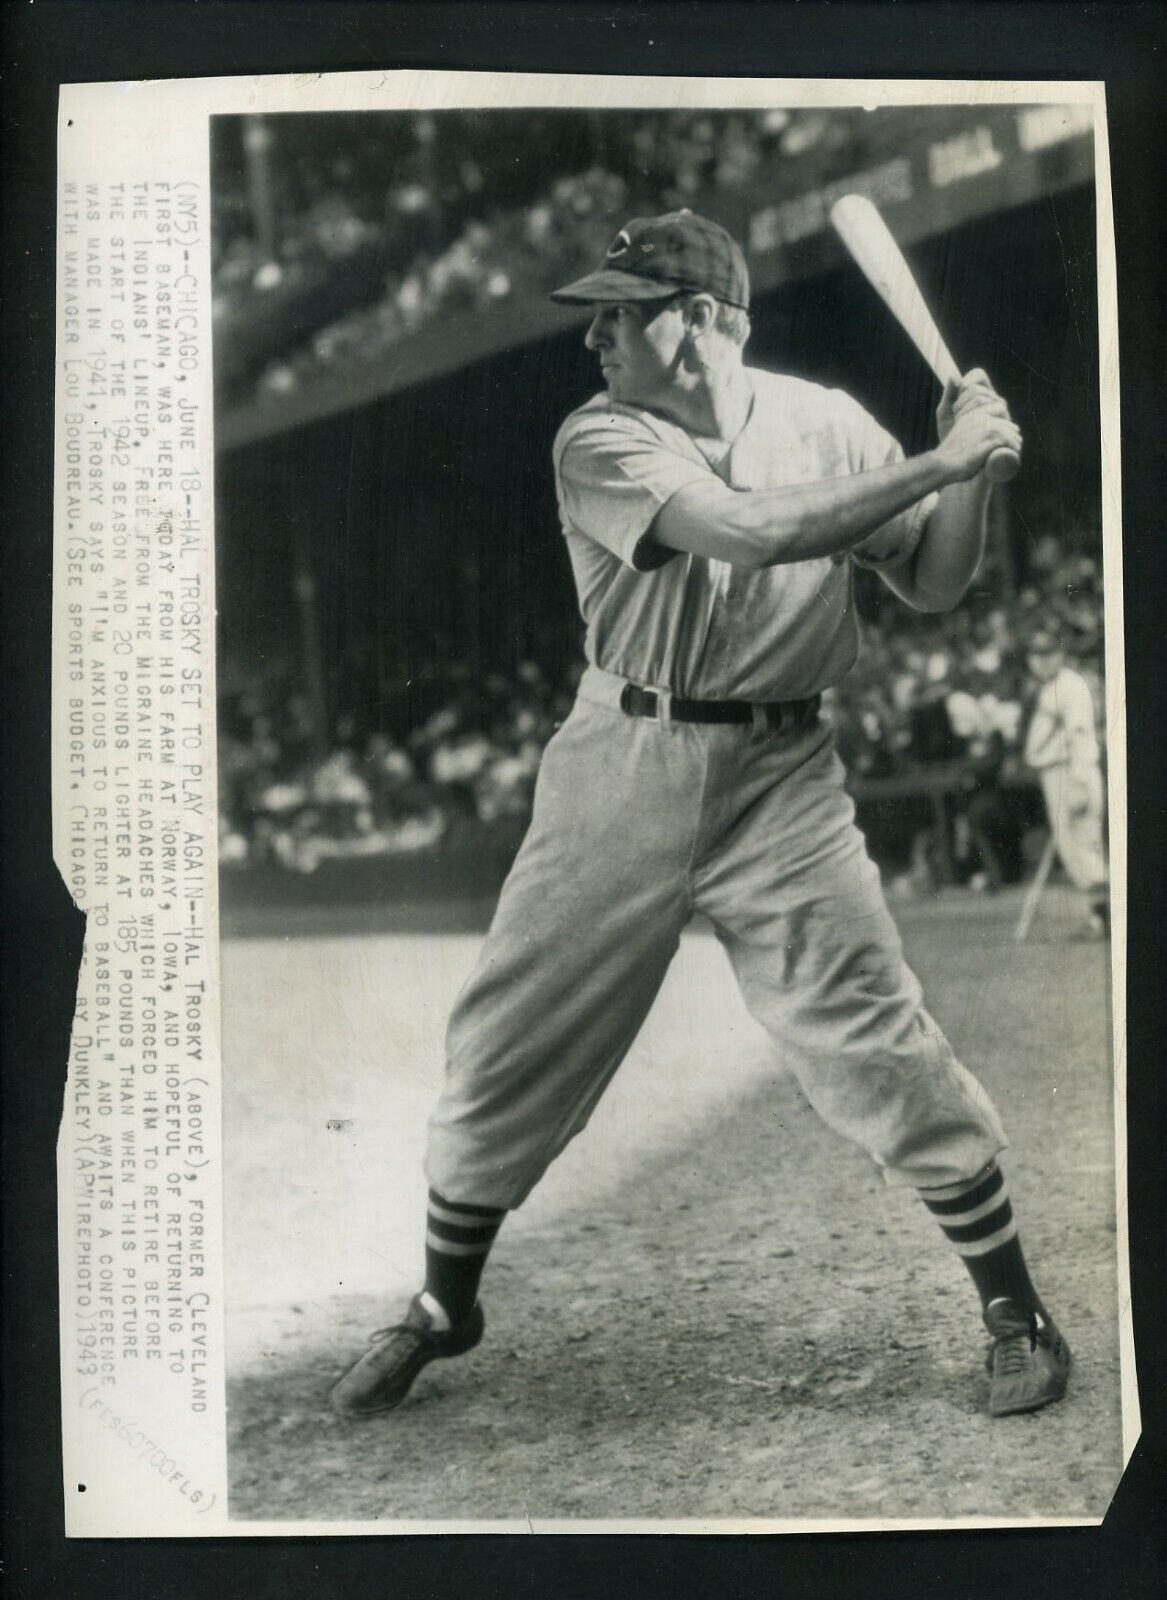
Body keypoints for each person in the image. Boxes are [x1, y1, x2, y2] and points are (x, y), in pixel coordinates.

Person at [331, 210, 1069, 1424]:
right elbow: (748, 529)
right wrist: (937, 465)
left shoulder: (824, 420)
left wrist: (972, 475)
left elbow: (936, 580)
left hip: (784, 773)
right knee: (509, 1040)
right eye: (602, 311)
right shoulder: (601, 437)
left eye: (624, 309)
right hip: (623, 761)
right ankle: (442, 1303)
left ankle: (1012, 1305)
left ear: (708, 321)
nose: (598, 335)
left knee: (873, 1030)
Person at [1023, 627, 1109, 935]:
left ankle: (1105, 917)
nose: (1042, 661)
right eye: (1036, 655)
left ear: (1060, 654)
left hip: (1071, 772)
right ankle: (1099, 918)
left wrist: (1079, 782)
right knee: (1074, 847)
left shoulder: (1070, 685)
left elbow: (1080, 736)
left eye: (1048, 654)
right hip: (1056, 773)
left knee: (1083, 846)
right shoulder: (1050, 687)